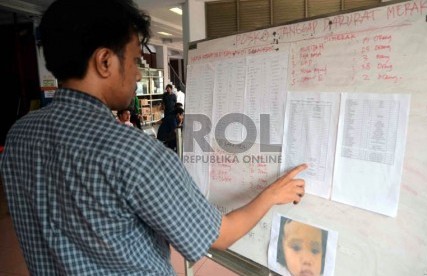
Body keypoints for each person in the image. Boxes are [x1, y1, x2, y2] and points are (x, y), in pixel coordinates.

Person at [0, 0, 307, 274]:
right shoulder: (135, 153)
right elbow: (219, 235)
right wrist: (272, 194)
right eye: (135, 60)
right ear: (104, 61)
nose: (137, 74)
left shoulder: (20, 135)